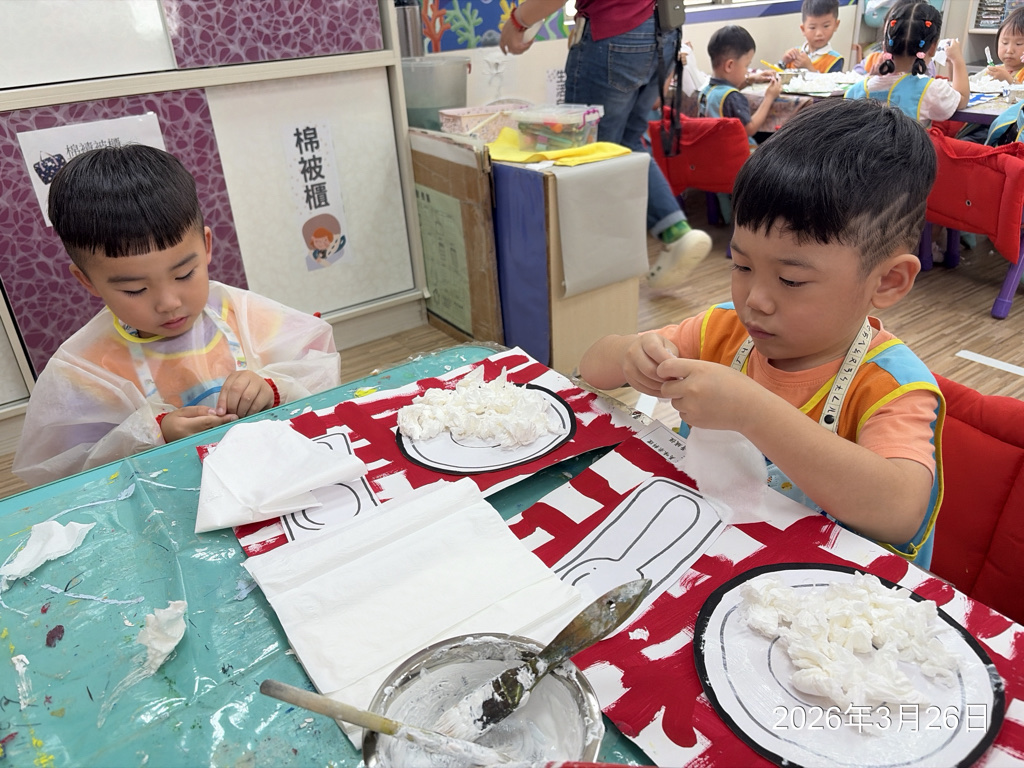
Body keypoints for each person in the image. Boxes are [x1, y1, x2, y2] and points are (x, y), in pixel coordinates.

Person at [578, 98, 944, 567]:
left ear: (888, 281)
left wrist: (754, 413)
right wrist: (633, 354)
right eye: (742, 265)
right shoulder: (723, 331)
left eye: (790, 280)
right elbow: (592, 367)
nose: (755, 300)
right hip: (709, 554)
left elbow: (899, 512)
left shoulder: (891, 387)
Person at [13, 145, 342, 487]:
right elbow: (64, 470)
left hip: (273, 476)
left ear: (206, 246)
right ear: (87, 281)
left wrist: (273, 387)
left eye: (184, 274)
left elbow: (319, 366)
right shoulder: (84, 368)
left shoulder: (241, 314)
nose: (168, 303)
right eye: (135, 290)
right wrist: (155, 433)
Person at [498, 0, 713, 290]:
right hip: (664, 32)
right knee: (625, 144)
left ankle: (593, 273)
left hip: (616, 32)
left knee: (585, 153)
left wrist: (519, 21)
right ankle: (675, 231)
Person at [843, 0, 967, 127]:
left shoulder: (855, 91)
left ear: (885, 45)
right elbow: (962, 99)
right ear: (933, 47)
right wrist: (957, 60)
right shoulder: (930, 90)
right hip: (911, 141)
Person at [699, 25, 783, 145]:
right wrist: (769, 98)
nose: (747, 71)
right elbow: (749, 129)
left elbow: (724, 94)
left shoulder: (706, 91)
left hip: (715, 150)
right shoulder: (734, 97)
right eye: (746, 66)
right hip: (738, 152)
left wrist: (751, 80)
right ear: (729, 65)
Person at [780, 0, 845, 74]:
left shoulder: (835, 60)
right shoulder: (795, 54)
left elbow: (833, 81)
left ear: (836, 25)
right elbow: (776, 76)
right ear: (803, 29)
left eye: (826, 26)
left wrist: (809, 68)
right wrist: (783, 62)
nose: (819, 33)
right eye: (812, 27)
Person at [986, 7, 1024, 84]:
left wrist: (1008, 79)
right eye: (1005, 42)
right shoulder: (994, 69)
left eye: (1019, 43)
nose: (1009, 50)